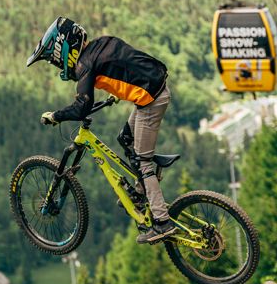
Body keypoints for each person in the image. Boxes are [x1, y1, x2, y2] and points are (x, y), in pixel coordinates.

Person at [26, 17, 176, 244]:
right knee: (125, 137)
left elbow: (81, 106)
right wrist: (117, 92)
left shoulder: (86, 65)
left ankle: (162, 222)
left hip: (150, 101)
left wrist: (56, 115)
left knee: (143, 162)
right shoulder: (102, 43)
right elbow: (125, 65)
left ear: (64, 50)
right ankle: (140, 191)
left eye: (56, 61)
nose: (58, 66)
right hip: (154, 90)